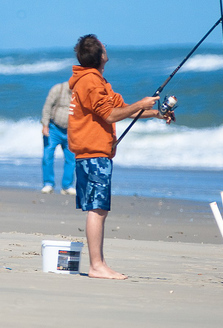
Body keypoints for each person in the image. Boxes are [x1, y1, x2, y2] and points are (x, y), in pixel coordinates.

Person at [68, 34, 174, 280]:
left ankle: (99, 263)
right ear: (100, 56)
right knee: (97, 209)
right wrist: (140, 103)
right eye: (103, 47)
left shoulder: (95, 81)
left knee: (98, 208)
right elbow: (111, 116)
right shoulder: (91, 83)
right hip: (93, 153)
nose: (106, 47)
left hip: (92, 153)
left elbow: (121, 109)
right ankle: (96, 265)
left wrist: (156, 113)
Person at [40, 81, 76, 195]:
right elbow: (47, 107)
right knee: (47, 156)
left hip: (71, 130)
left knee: (71, 159)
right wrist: (45, 125)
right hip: (53, 128)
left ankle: (67, 186)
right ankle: (48, 184)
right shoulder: (58, 89)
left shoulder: (80, 93)